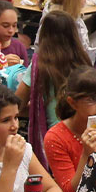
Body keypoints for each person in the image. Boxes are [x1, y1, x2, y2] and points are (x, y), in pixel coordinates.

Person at [19, 10, 92, 164]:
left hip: (53, 137)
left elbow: (17, 103)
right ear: (74, 34)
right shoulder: (84, 62)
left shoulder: (39, 65)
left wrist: (36, 110)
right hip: (83, 135)